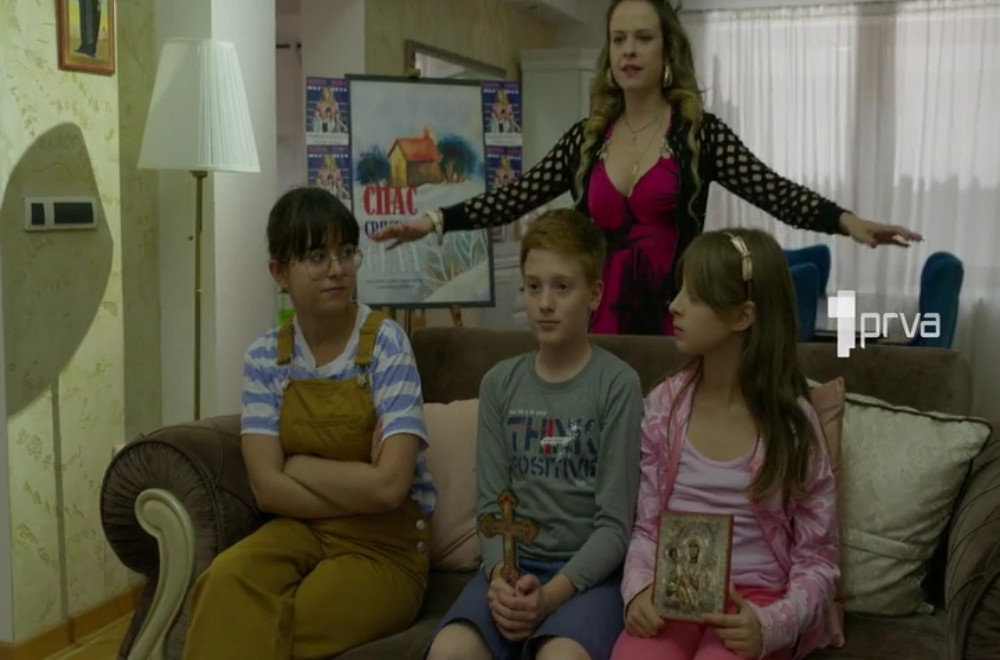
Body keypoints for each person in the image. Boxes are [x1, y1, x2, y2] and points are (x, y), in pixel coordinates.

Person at [373, 0, 921, 336]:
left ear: (666, 52)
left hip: (678, 321)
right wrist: (434, 221)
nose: (628, 51)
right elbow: (514, 198)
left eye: (642, 38)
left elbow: (774, 192)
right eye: (618, 40)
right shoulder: (587, 140)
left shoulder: (700, 136)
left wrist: (848, 222)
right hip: (596, 323)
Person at [181, 187, 437, 660]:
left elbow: (389, 488)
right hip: (298, 531)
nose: (337, 269)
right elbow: (266, 489)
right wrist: (357, 482)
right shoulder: (264, 357)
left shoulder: (386, 344)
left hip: (385, 546)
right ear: (279, 272)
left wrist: (298, 466)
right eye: (317, 257)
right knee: (223, 581)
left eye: (346, 252)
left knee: (283, 621)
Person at [424, 208, 645, 660]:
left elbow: (614, 528)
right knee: (450, 650)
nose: (545, 303)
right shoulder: (499, 384)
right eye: (533, 286)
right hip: (510, 570)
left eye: (562, 287)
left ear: (594, 294)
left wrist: (549, 597)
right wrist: (501, 578)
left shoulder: (618, 386)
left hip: (587, 580)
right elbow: (491, 505)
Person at [610, 227, 839, 660]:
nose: (674, 305)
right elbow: (647, 527)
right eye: (679, 289)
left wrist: (771, 626)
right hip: (674, 593)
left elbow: (819, 559)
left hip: (757, 604)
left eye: (694, 296)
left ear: (742, 315)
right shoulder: (663, 406)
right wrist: (637, 589)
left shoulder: (793, 427)